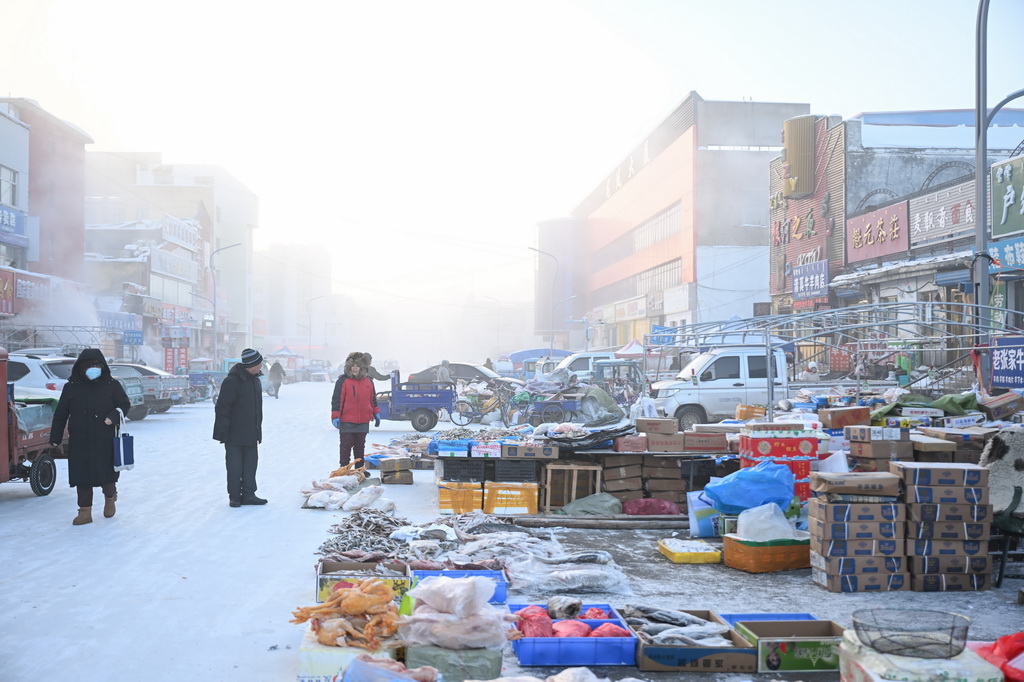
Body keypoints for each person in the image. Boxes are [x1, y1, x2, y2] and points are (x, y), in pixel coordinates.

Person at [49, 348, 131, 526]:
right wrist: (55, 437)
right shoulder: (71, 387)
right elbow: (61, 414)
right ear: (80, 367)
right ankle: (84, 511)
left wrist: (113, 417)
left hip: (105, 439)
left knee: (106, 474)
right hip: (80, 440)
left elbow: (124, 404)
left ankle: (110, 497)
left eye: (97, 365)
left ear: (103, 367)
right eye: (89, 366)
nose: (93, 369)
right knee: (82, 476)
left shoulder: (111, 385)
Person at [213, 348, 266, 507]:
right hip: (234, 433)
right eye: (259, 363)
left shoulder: (255, 380)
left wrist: (258, 430)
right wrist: (222, 433)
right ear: (251, 365)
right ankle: (235, 497)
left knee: (250, 465)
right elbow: (222, 408)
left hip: (251, 431)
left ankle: (249, 494)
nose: (261, 365)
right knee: (234, 467)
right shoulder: (232, 382)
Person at [331, 352, 380, 467]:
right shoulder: (343, 381)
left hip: (363, 420)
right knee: (346, 446)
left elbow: (373, 399)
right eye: (352, 365)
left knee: (360, 446)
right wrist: (335, 416)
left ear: (362, 367)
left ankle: (359, 469)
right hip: (347, 420)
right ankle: (344, 468)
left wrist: (376, 412)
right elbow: (337, 400)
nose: (355, 368)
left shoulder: (368, 381)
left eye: (358, 366)